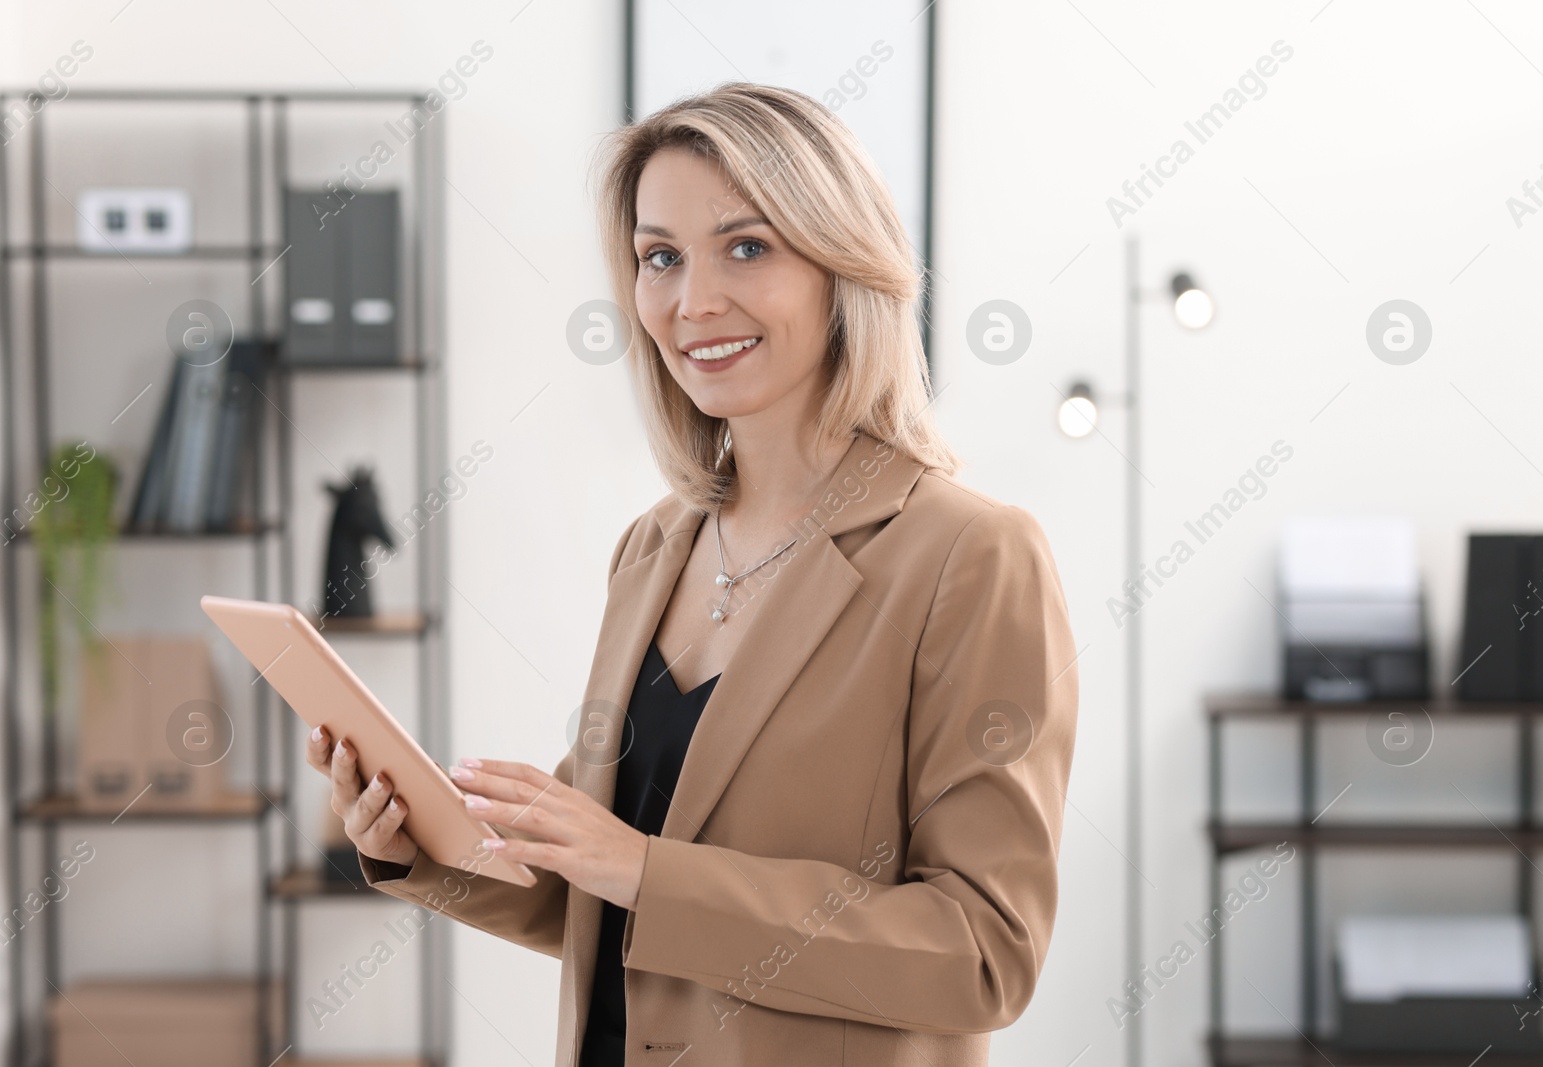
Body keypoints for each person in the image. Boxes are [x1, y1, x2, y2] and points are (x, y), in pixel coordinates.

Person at [306, 81, 1078, 1066]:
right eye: (658, 257)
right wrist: (413, 835)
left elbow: (981, 952)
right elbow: (602, 898)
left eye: (746, 246)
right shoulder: (654, 546)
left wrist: (647, 869)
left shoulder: (970, 556)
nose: (691, 300)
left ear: (844, 265)